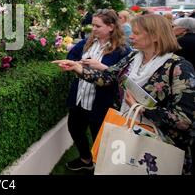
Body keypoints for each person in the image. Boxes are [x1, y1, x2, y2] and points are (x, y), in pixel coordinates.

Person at [53, 14, 195, 175]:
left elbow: (185, 121)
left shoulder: (179, 68)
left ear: (155, 36)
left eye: (136, 33)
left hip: (160, 145)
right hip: (130, 130)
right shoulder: (134, 57)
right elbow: (108, 77)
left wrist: (140, 108)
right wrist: (77, 68)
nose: (131, 36)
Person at [62, 9, 131, 171]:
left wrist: (102, 67)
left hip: (101, 102)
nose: (93, 29)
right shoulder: (87, 42)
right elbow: (71, 57)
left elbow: (121, 78)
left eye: (97, 26)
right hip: (80, 97)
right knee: (74, 128)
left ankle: (101, 166)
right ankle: (86, 159)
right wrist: (75, 64)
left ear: (111, 27)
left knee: (100, 137)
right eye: (92, 25)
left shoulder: (122, 50)